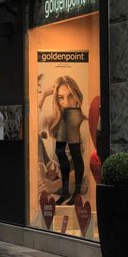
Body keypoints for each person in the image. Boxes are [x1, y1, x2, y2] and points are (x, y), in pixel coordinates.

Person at [38, 75, 87, 206]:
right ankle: (42, 188)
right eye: (61, 97)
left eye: (70, 96)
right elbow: (28, 128)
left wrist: (54, 185)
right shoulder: (51, 121)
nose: (66, 102)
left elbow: (86, 165)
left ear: (77, 96)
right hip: (50, 181)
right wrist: (43, 95)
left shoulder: (85, 125)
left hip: (72, 184)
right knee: (35, 139)